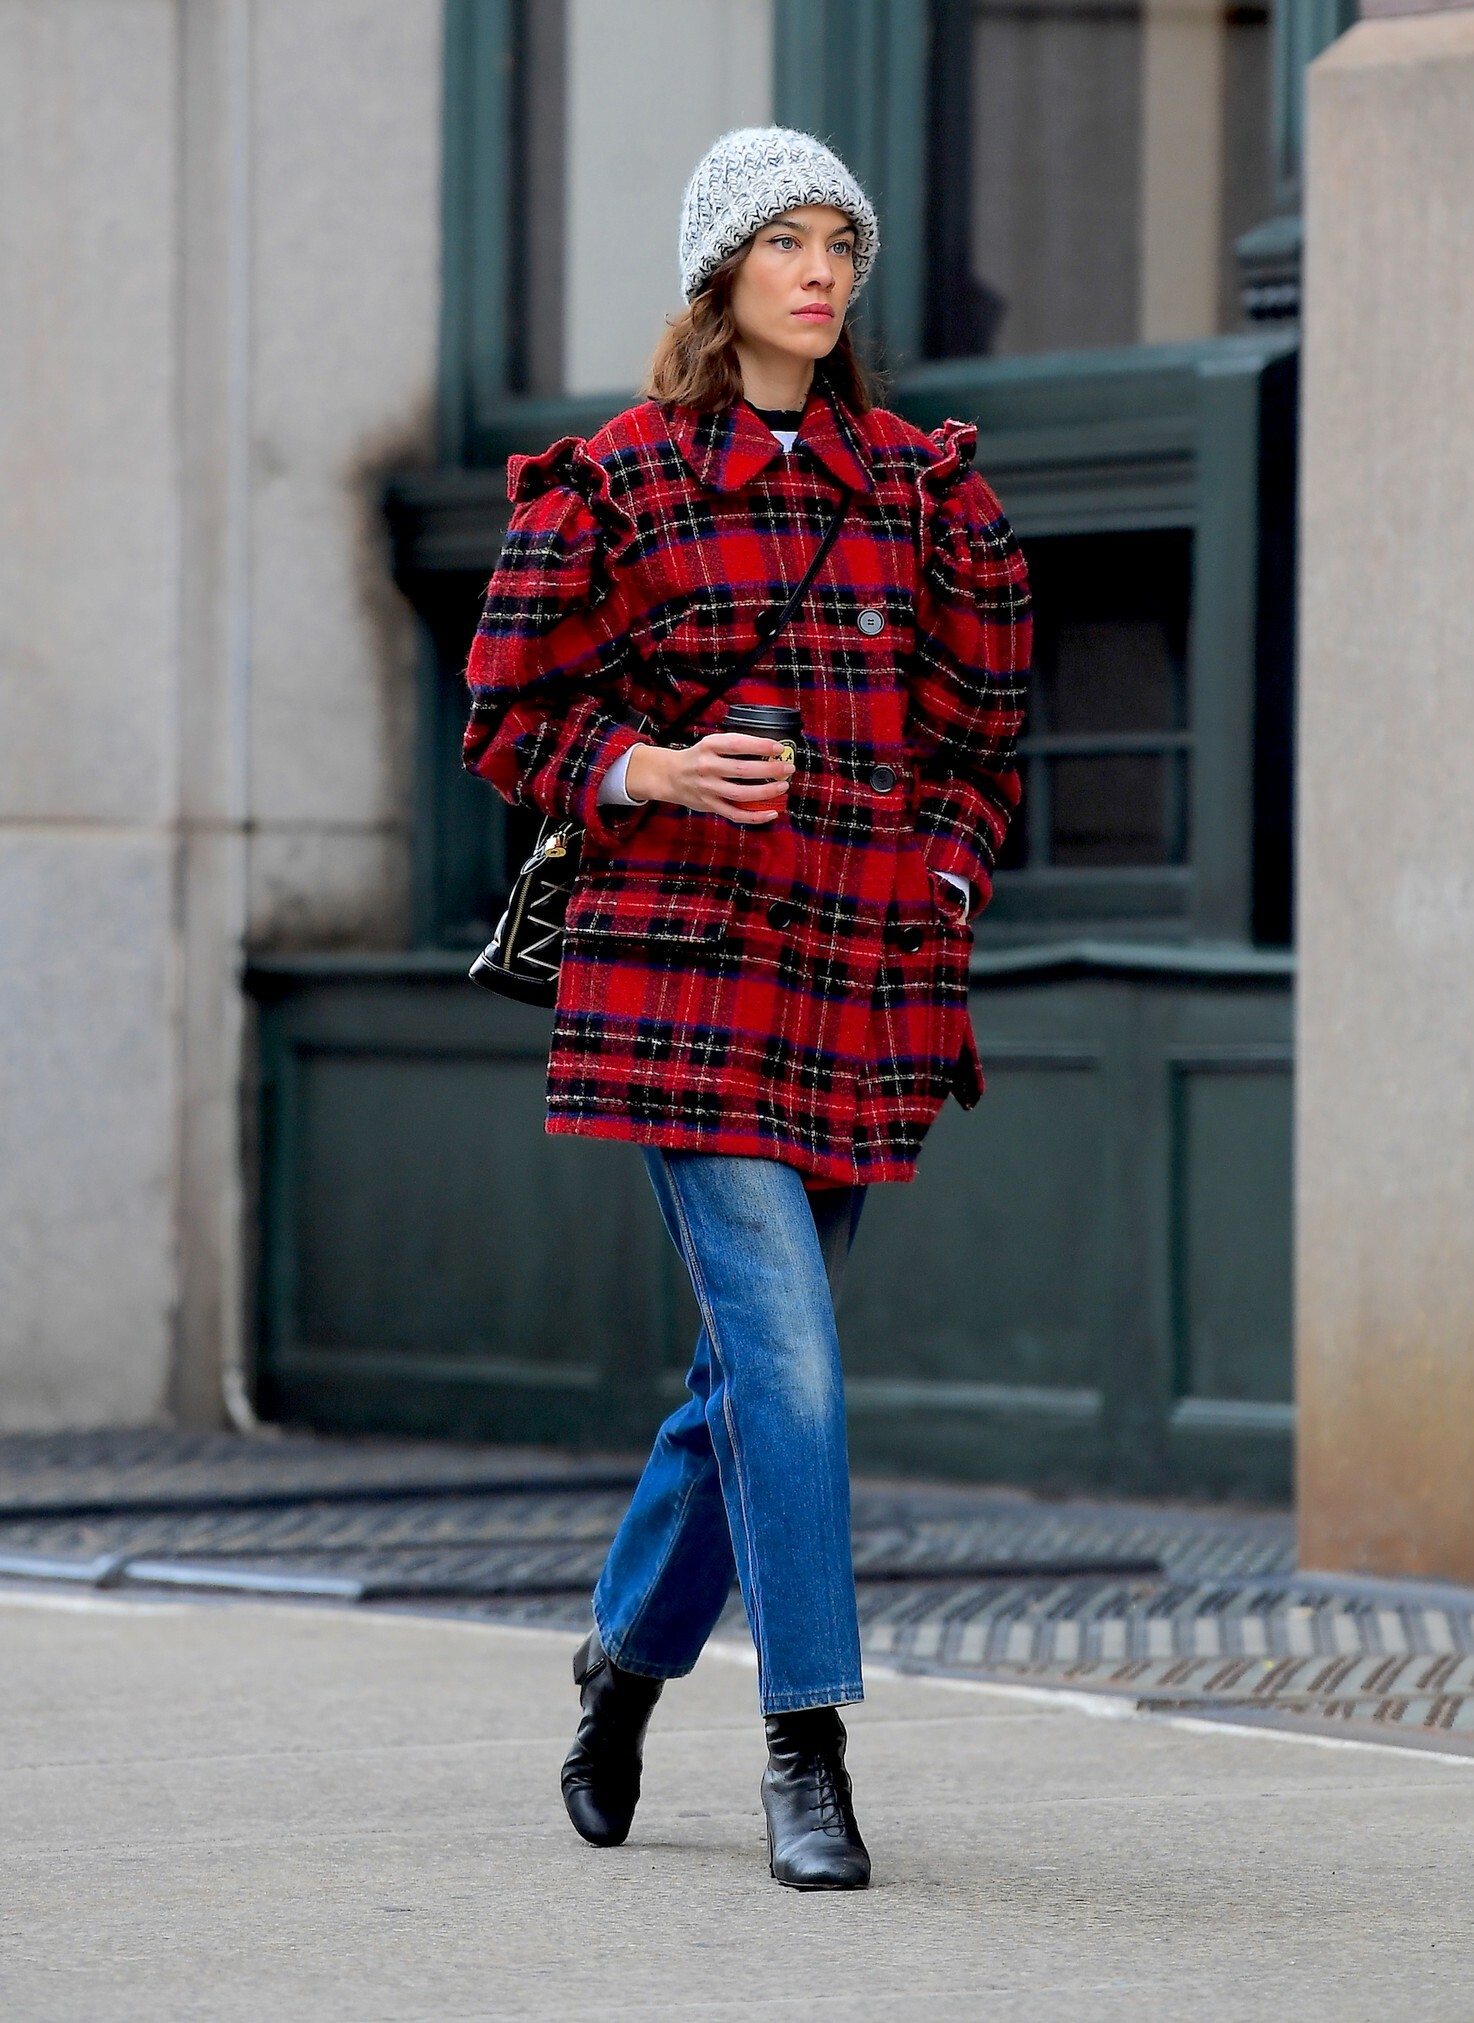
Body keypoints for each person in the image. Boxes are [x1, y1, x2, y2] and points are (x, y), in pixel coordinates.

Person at [464, 126, 1030, 1890]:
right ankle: (809, 1747)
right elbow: (508, 713)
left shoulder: (924, 491)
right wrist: (653, 768)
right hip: (687, 984)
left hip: (862, 979)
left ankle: (624, 1669)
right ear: (720, 274)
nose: (820, 272)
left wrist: (944, 884)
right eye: (785, 241)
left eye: (839, 245)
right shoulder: (616, 484)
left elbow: (981, 747)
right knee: (789, 1363)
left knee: (743, 1386)